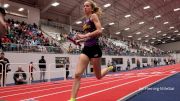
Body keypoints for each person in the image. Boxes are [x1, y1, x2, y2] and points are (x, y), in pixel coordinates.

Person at [69, 1, 113, 101]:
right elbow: (89, 37)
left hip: (95, 49)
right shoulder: (85, 21)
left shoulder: (93, 16)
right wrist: (79, 40)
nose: (85, 7)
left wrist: (84, 35)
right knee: (77, 74)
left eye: (87, 6)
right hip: (86, 49)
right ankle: (72, 99)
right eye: (84, 6)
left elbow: (99, 31)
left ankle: (108, 68)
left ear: (92, 8)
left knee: (98, 76)